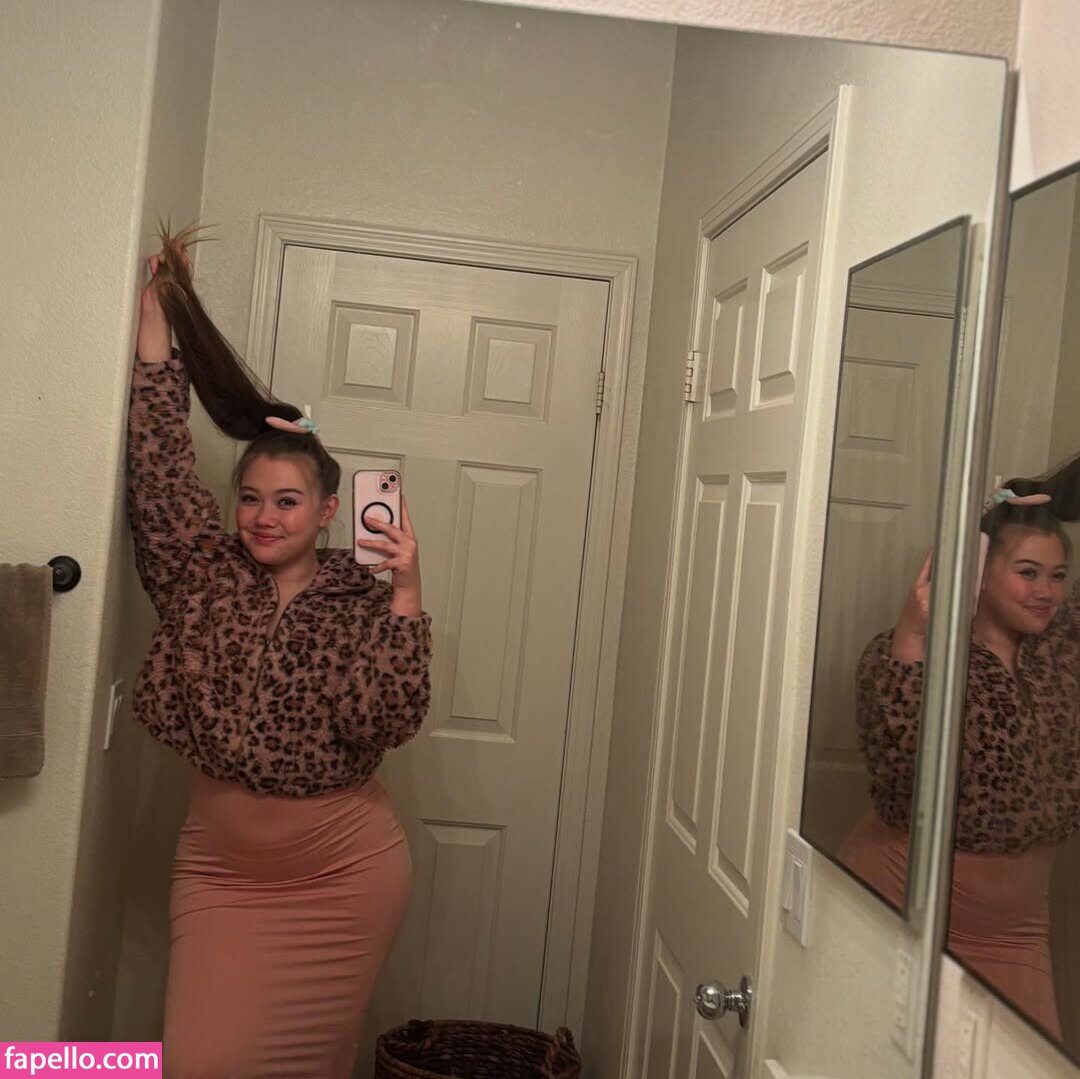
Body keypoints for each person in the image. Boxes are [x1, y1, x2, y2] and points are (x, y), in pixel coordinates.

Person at [127, 230, 432, 1076]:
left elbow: (388, 718)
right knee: (196, 1060)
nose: (265, 517)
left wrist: (406, 591)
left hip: (345, 874)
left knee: (311, 1061)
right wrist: (159, 316)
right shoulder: (199, 570)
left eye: (289, 500)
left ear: (329, 510)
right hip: (219, 873)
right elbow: (159, 466)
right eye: (252, 498)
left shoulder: (362, 596)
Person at [840, 491, 1080, 1039]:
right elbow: (900, 768)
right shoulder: (911, 655)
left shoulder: (1064, 649)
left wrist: (1043, 490)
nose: (1046, 591)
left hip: (1017, 932)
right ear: (980, 574)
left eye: (1058, 576)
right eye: (1027, 572)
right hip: (902, 903)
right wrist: (913, 635)